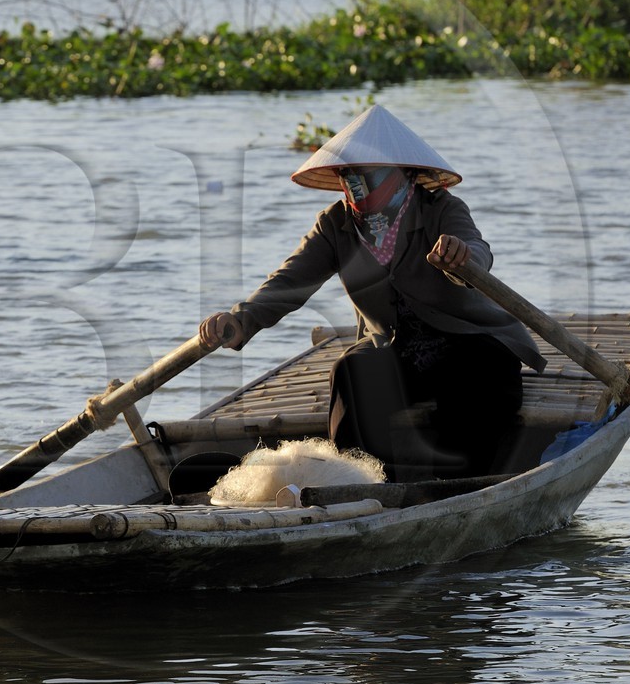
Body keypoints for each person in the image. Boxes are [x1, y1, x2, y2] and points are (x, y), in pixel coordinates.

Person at [198, 105, 546, 481]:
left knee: (478, 378)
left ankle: (466, 484)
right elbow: (288, 282)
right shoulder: (335, 225)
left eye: (368, 175)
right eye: (349, 177)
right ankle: (357, 482)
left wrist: (463, 258)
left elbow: (479, 250)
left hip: (465, 337)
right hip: (394, 346)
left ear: (404, 174)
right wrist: (239, 319)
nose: (357, 186)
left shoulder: (441, 209)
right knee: (350, 371)